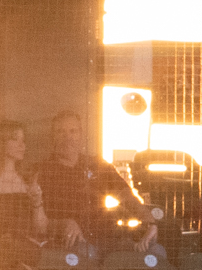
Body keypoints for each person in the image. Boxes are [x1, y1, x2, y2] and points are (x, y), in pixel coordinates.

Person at [33, 110, 159, 257]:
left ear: (81, 135)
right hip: (71, 244)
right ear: (52, 137)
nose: (67, 137)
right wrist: (63, 224)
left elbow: (127, 197)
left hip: (109, 239)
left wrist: (149, 222)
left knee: (156, 252)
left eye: (73, 131)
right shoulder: (41, 171)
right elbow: (38, 224)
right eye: (60, 132)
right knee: (89, 255)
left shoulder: (98, 165)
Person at [0, 120, 48, 247]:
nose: (21, 145)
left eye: (23, 140)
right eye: (14, 139)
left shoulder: (28, 178)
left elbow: (42, 230)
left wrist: (37, 202)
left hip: (28, 249)